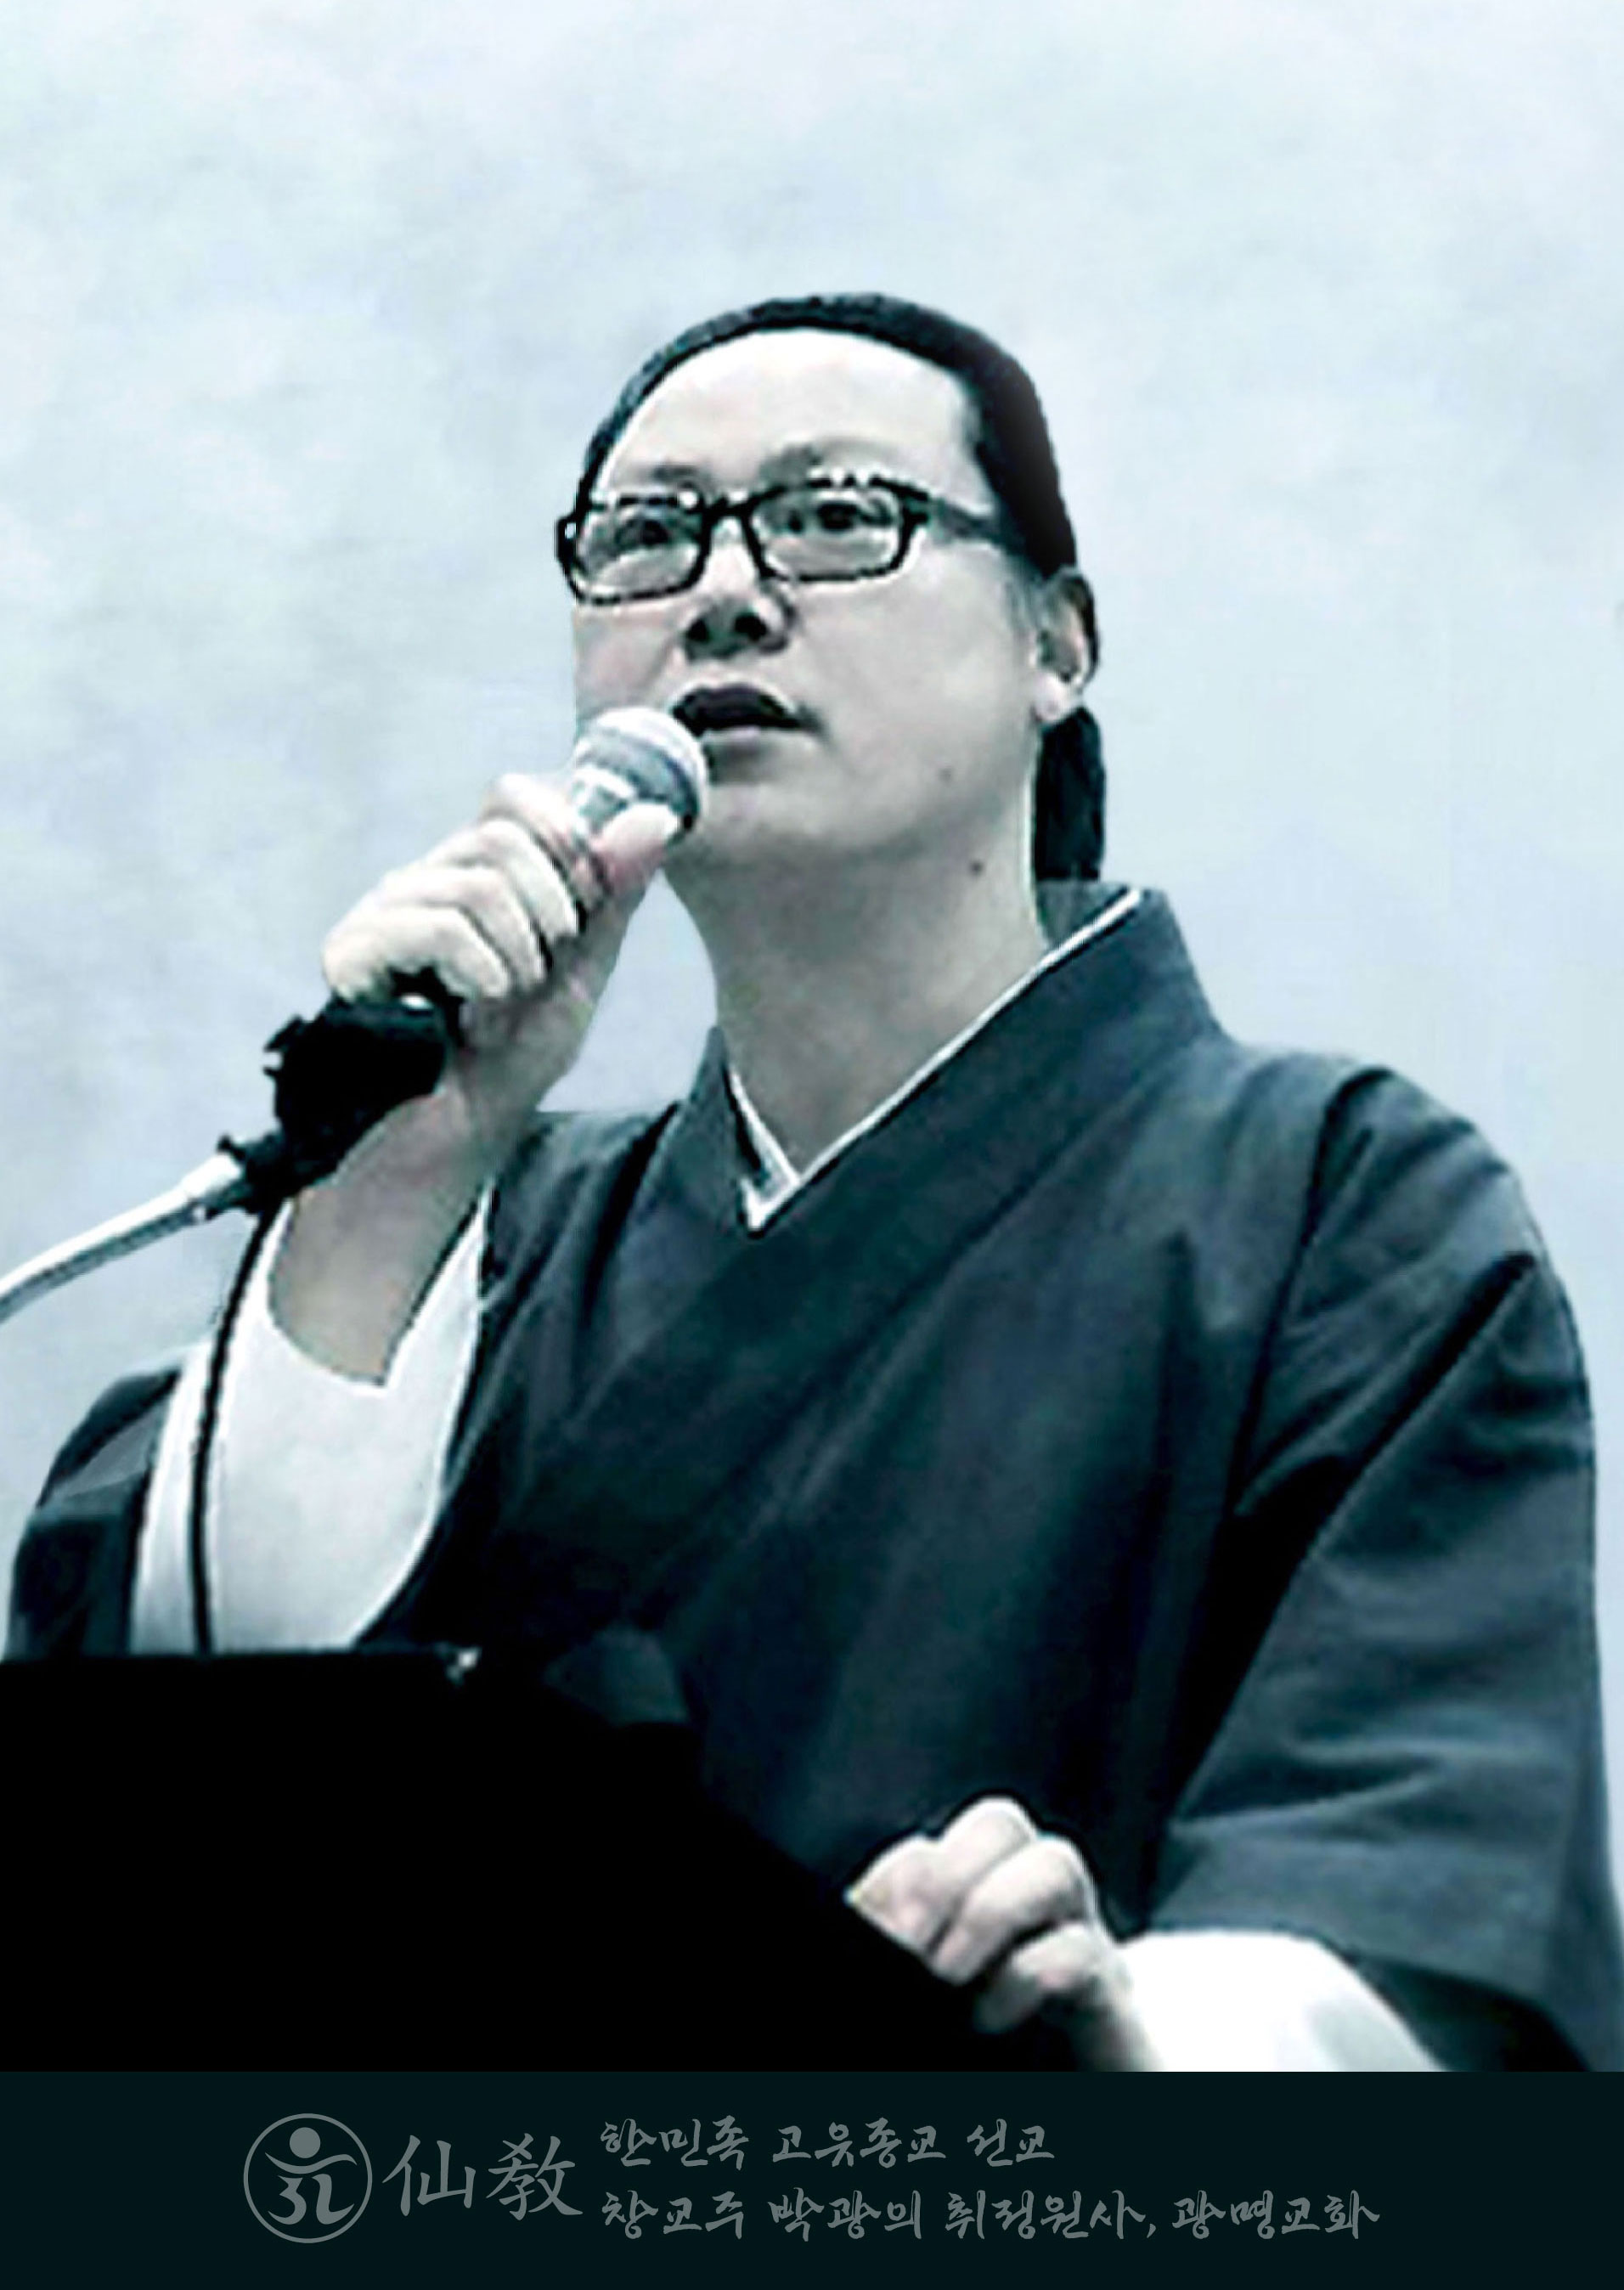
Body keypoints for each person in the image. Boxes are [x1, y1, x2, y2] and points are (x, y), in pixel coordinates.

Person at [10, 295, 1622, 2070]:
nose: (721, 591)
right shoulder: (470, 1231)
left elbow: (1427, 1879)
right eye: (646, 535)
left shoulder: (1331, 1210)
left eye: (834, 514)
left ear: (1056, 644)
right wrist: (384, 1192)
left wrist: (1124, 2023)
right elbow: (173, 1806)